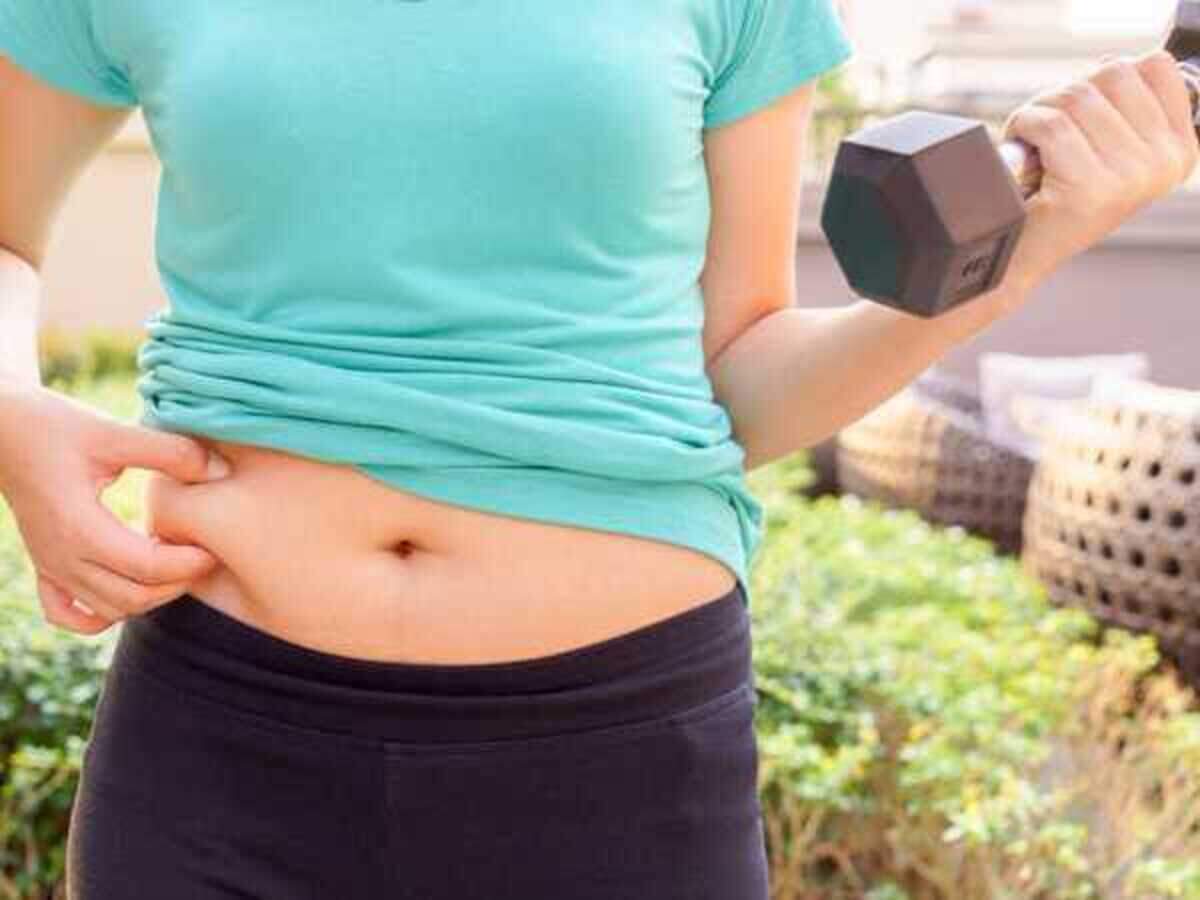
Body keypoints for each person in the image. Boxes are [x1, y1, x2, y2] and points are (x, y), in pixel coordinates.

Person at [0, 1, 1196, 897]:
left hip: (620, 755)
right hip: (225, 738)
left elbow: (746, 374)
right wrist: (12, 419)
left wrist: (1029, 251)